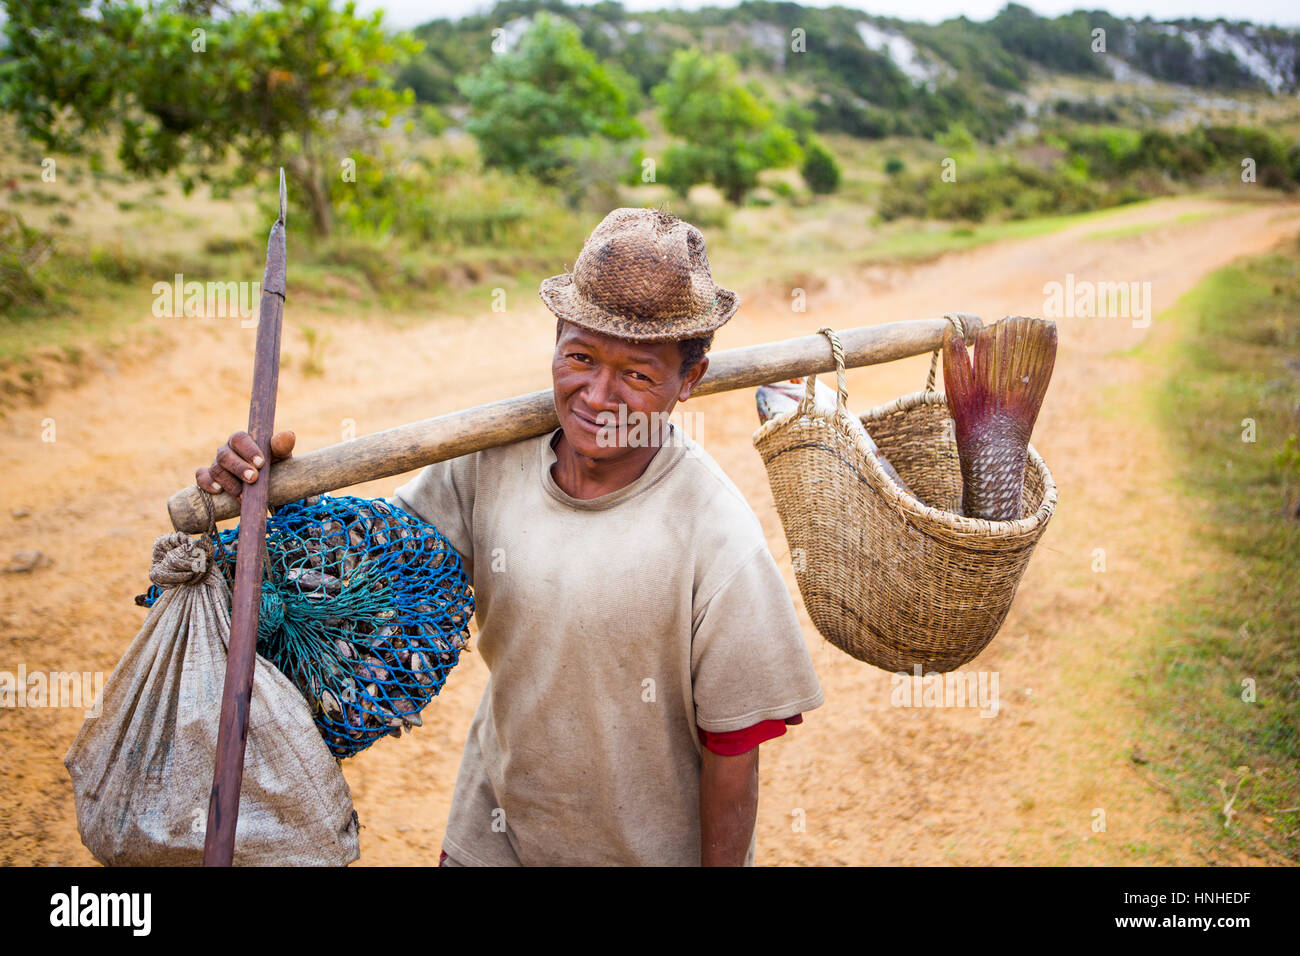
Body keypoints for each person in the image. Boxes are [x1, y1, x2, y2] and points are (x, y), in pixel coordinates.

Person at [197, 207, 824, 866]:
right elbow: (370, 576)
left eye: (637, 375)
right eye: (580, 357)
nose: (597, 395)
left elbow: (733, 756)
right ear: (556, 337)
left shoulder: (715, 534)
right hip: (493, 830)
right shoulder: (487, 460)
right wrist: (266, 499)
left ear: (688, 380)